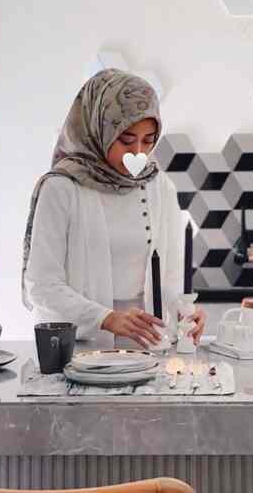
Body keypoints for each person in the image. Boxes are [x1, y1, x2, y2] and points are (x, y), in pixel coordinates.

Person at [22, 69, 205, 349]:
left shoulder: (159, 185)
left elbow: (171, 276)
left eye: (148, 140)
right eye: (127, 140)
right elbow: (42, 285)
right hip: (80, 348)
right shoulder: (61, 188)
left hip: (148, 347)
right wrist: (105, 318)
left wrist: (184, 311)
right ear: (97, 128)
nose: (138, 153)